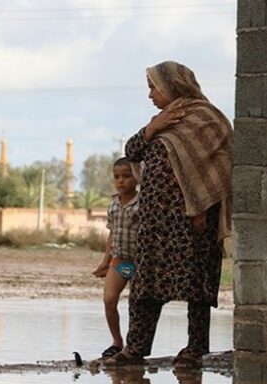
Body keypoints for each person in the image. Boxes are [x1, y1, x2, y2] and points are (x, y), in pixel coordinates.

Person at [105, 60, 233, 368]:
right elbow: (132, 152)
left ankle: (194, 350)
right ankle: (134, 350)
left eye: (153, 87)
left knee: (196, 287)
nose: (150, 94)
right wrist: (153, 128)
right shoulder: (161, 120)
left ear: (172, 86)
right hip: (155, 222)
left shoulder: (207, 118)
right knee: (145, 286)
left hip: (193, 220)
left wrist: (201, 206)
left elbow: (219, 166)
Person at [92, 158, 139, 359]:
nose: (121, 181)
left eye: (126, 176)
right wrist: (105, 260)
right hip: (119, 262)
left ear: (136, 177)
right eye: (117, 177)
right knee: (109, 300)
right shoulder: (113, 205)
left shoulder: (142, 203)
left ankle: (134, 345)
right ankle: (117, 341)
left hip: (139, 263)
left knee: (137, 306)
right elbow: (112, 233)